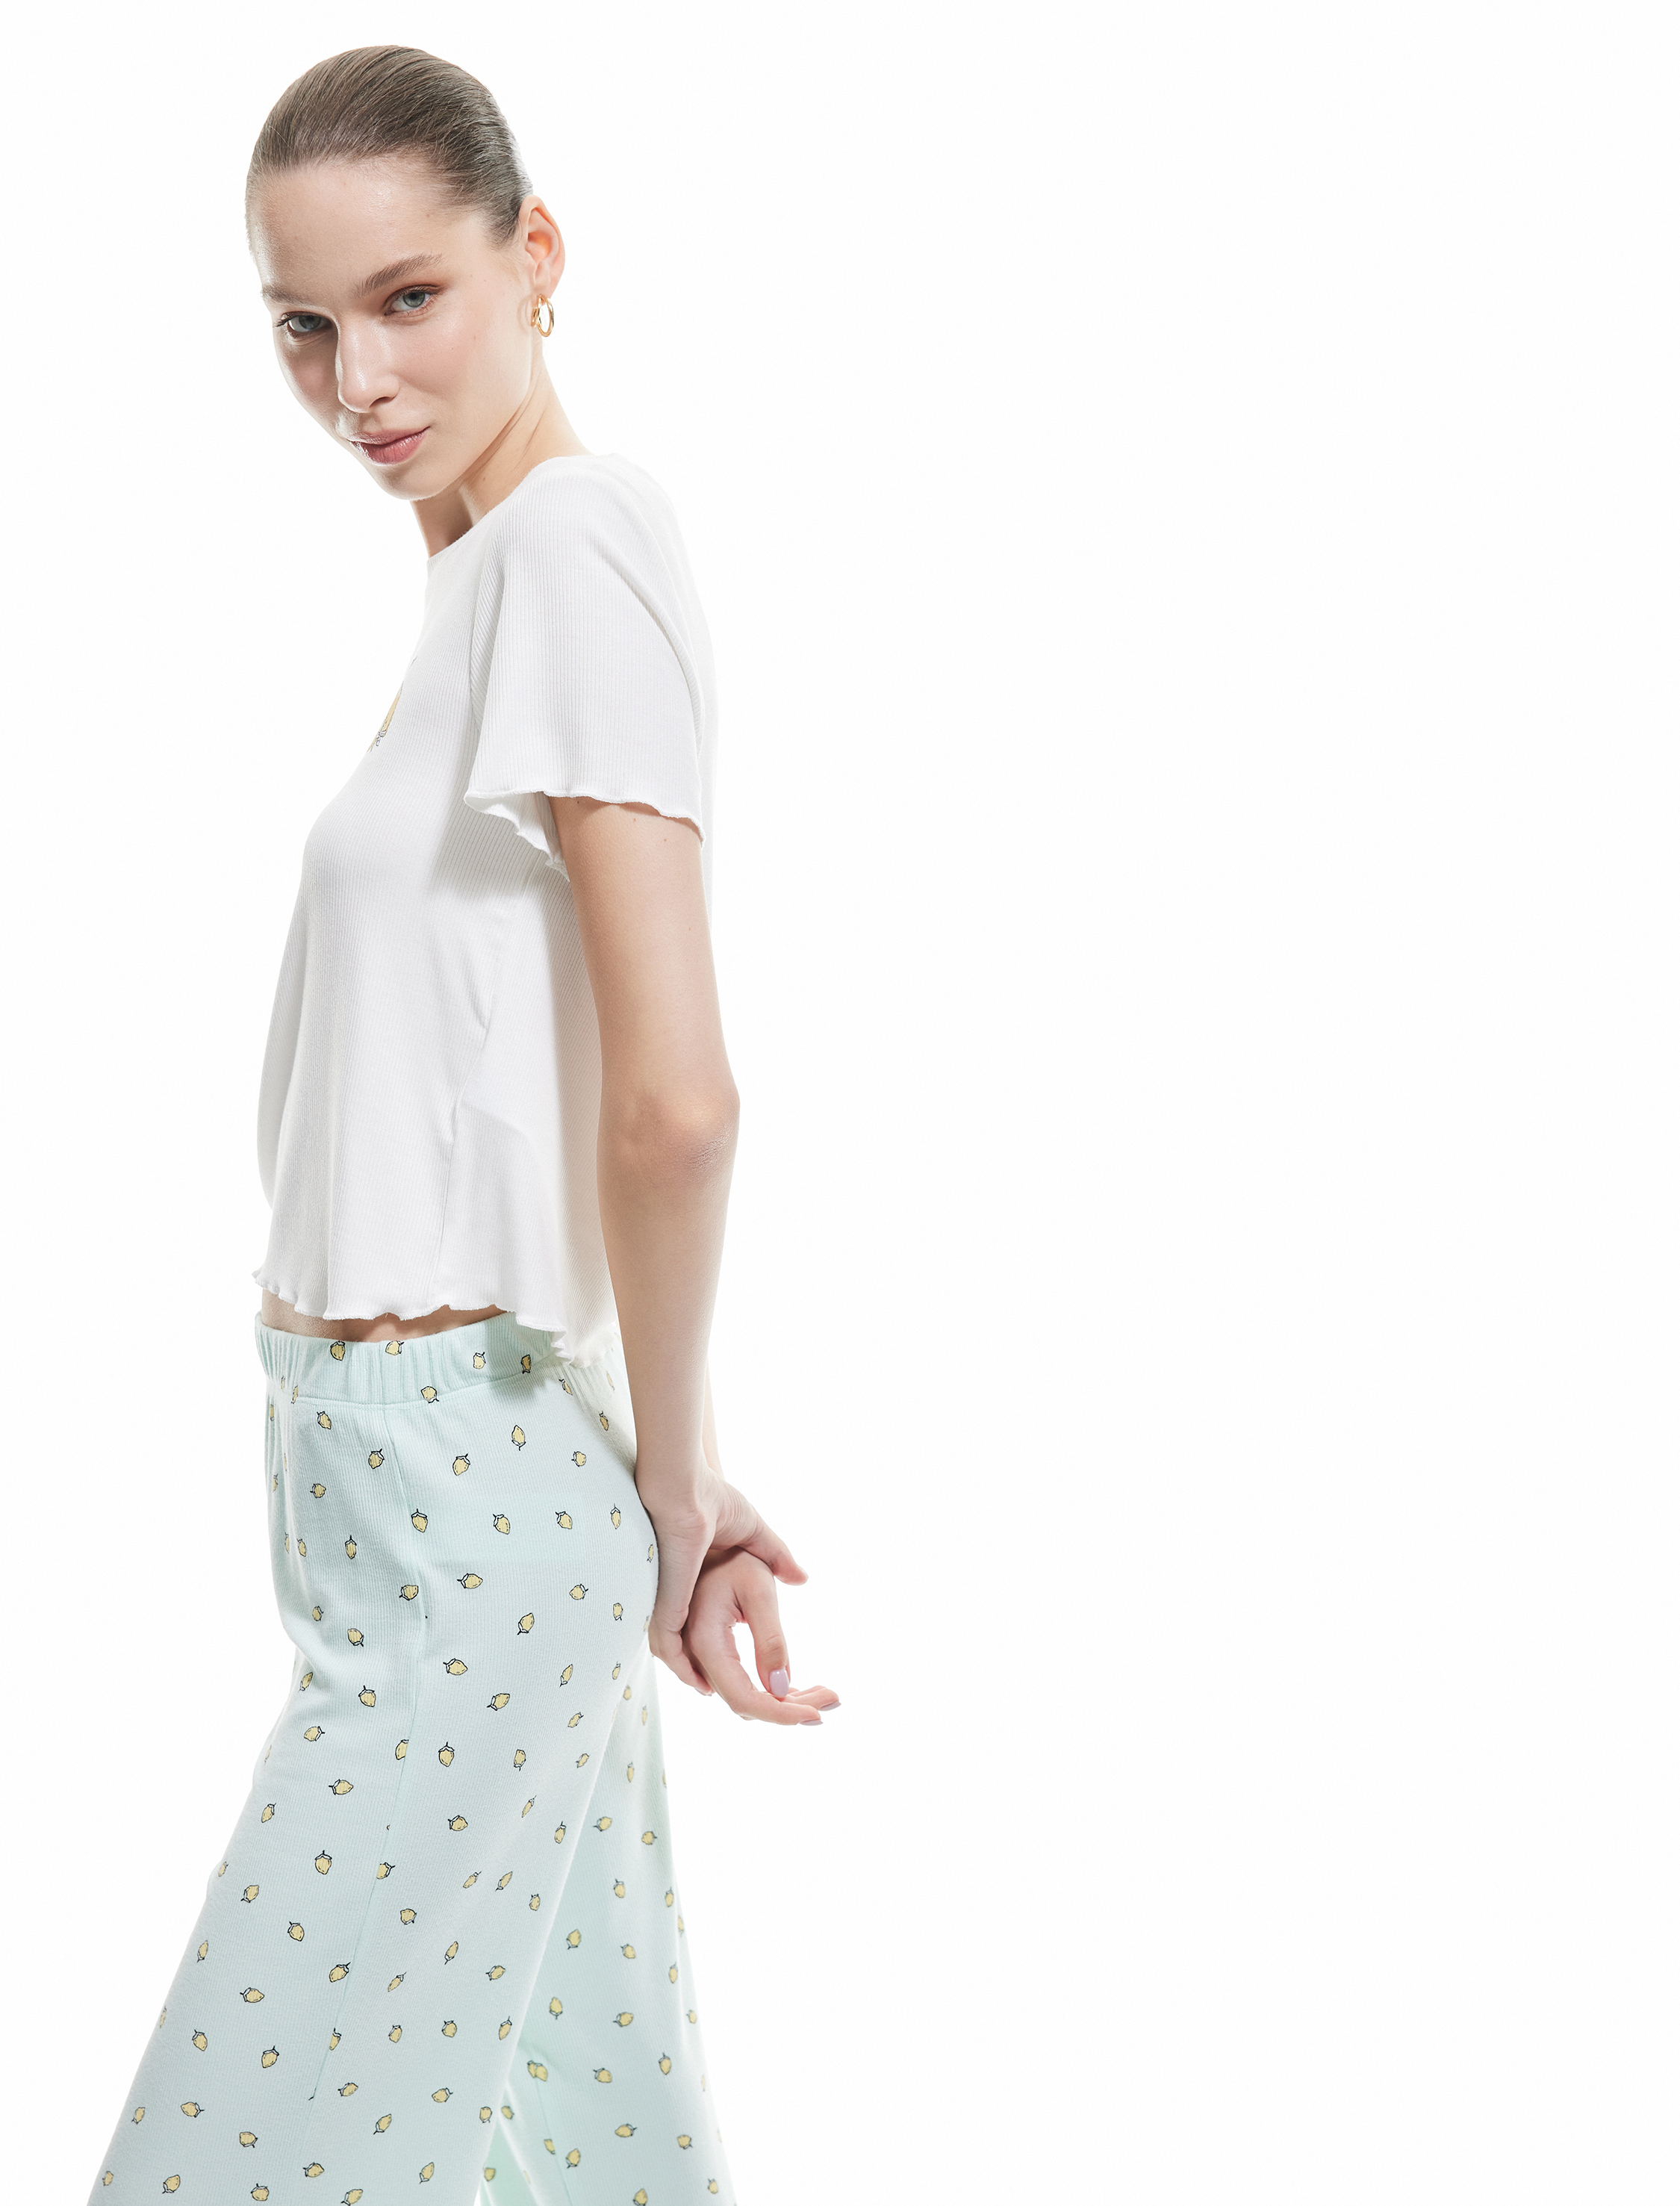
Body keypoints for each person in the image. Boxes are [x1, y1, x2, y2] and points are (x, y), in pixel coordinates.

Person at [90, 44, 836, 2206]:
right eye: (302, 326)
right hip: (410, 1479)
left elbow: (678, 1099)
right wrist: (643, 1468)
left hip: (474, 1501)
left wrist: (673, 1488)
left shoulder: (579, 543)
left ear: (537, 255)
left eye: (408, 298)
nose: (356, 380)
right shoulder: (482, 581)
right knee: (576, 2149)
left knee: (234, 2154)